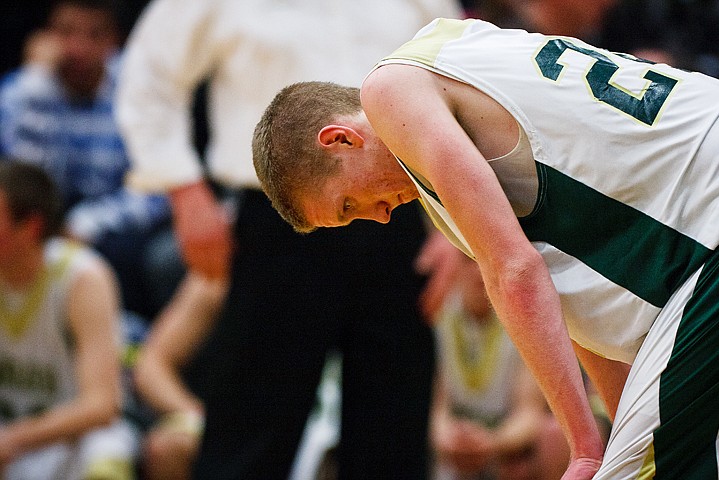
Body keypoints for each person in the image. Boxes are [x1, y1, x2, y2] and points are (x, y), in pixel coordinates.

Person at [253, 16, 719, 479]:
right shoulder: (447, 48)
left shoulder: (390, 92)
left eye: (349, 204)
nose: (377, 216)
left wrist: (585, 448)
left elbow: (517, 273)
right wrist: (619, 429)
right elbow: (573, 299)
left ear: (341, 139)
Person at [115, 0, 464, 478]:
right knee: (252, 424)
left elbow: (455, 78)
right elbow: (149, 75)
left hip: (401, 211)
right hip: (278, 221)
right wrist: (185, 189)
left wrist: (455, 223)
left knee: (394, 428)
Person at [0, 0, 182, 320]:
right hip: (47, 222)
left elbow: (158, 186)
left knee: (159, 255)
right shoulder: (24, 92)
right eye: (66, 32)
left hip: (118, 231)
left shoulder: (139, 87)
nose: (78, 48)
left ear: (114, 41)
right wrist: (41, 89)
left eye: (94, 35)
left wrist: (88, 224)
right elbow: (27, 189)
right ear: (47, 36)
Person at [0, 159, 138, 480]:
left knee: (107, 454)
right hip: (9, 439)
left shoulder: (81, 278)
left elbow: (103, 405)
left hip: (66, 438)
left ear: (30, 227)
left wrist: (13, 439)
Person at [429, 253, 557, 480]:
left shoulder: (524, 317)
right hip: (454, 443)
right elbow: (436, 410)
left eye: (483, 258)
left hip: (505, 444)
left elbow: (529, 414)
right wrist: (450, 439)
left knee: (552, 437)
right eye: (467, 260)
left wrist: (491, 442)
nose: (478, 269)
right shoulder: (438, 313)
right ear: (452, 266)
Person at [133, 272, 227, 480]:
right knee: (169, 447)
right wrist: (196, 416)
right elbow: (151, 367)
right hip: (215, 420)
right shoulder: (217, 278)